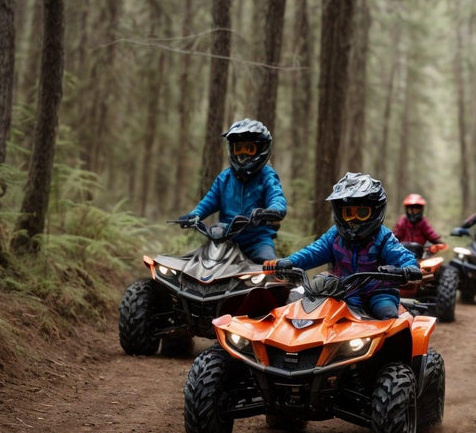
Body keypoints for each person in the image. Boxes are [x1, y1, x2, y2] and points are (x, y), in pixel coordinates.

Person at [262, 172, 420, 320]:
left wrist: (407, 269)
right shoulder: (334, 236)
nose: (354, 219)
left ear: (375, 212)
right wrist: (290, 262)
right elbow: (313, 252)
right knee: (308, 311)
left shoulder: (384, 237)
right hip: (342, 292)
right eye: (349, 213)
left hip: (378, 294)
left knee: (387, 315)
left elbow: (402, 255)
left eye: (362, 212)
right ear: (340, 213)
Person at [180, 118, 286, 262]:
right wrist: (193, 215)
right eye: (238, 148)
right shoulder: (224, 178)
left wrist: (273, 210)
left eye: (248, 149)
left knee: (269, 268)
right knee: (196, 265)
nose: (242, 155)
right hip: (224, 239)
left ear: (261, 149)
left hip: (257, 242)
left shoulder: (267, 176)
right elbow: (209, 200)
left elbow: (277, 197)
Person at [393, 193, 446, 258]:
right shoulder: (403, 221)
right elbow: (395, 236)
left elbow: (432, 235)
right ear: (407, 210)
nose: (413, 212)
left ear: (421, 210)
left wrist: (440, 244)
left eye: (416, 209)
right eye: (410, 210)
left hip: (419, 256)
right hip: (402, 255)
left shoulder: (423, 222)